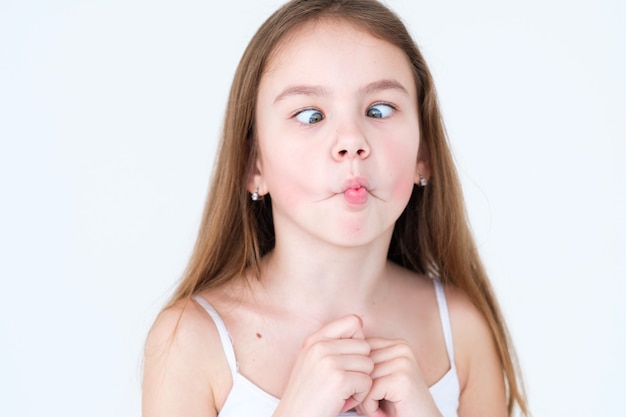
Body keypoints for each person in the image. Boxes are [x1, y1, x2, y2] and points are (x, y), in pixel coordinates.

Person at [142, 0, 528, 416]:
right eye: (310, 115)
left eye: (379, 110)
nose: (351, 140)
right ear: (253, 165)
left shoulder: (464, 331)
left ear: (424, 154)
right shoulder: (189, 341)